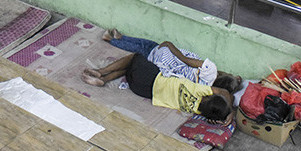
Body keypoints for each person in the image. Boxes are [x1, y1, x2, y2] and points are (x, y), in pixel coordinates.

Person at [81, 52, 233, 121]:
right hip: (142, 91)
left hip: (152, 79)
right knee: (130, 68)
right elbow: (216, 109)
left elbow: (225, 92)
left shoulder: (202, 91)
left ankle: (101, 72)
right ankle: (104, 79)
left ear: (210, 96)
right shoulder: (198, 111)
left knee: (135, 57)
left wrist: (230, 110)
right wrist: (224, 115)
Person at [97, 29, 219, 85]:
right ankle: (121, 37)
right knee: (145, 44)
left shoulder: (210, 71)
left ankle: (112, 40)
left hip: (164, 57)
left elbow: (185, 59)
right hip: (162, 60)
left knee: (141, 48)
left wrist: (170, 45)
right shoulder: (202, 85)